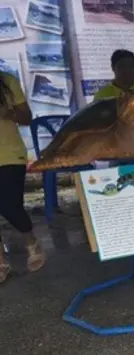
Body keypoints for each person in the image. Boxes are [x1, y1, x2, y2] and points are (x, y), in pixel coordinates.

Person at [0, 72, 45, 283]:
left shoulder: (7, 81)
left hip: (9, 154)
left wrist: (7, 113)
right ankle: (1, 262)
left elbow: (27, 118)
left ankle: (31, 243)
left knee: (10, 206)